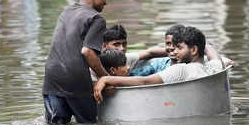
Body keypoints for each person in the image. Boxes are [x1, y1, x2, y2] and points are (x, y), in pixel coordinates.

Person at [42, 0, 109, 125]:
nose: (105, 2)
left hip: (51, 78)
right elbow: (87, 52)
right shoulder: (96, 18)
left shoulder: (66, 12)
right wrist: (106, 78)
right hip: (75, 79)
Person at [94, 26, 225, 103]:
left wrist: (106, 78)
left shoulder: (181, 70)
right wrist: (201, 43)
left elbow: (145, 82)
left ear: (194, 49)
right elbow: (211, 52)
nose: (174, 51)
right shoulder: (215, 67)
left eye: (179, 47)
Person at [102, 24, 167, 72]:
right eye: (116, 45)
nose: (122, 48)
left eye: (124, 44)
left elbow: (150, 53)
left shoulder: (127, 58)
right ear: (104, 46)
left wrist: (173, 51)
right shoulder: (96, 64)